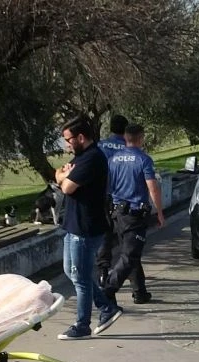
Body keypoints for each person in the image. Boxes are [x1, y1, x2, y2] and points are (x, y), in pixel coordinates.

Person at [55, 115, 123, 339]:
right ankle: (107, 307)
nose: (66, 145)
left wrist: (63, 176)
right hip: (73, 226)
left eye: (68, 139)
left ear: (81, 137)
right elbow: (60, 177)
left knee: (81, 278)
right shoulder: (82, 157)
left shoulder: (91, 159)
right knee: (71, 271)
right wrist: (61, 175)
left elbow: (67, 187)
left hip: (85, 228)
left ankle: (82, 325)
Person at [101, 123, 165, 306]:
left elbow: (107, 186)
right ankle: (108, 289)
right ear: (141, 138)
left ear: (126, 138)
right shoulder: (143, 160)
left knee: (130, 253)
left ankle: (140, 292)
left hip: (117, 213)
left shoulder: (113, 159)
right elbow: (153, 187)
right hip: (134, 214)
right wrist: (159, 212)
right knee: (129, 256)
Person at [95, 114, 130, 289]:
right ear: (126, 130)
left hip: (101, 195)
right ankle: (128, 270)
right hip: (122, 197)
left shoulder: (100, 145)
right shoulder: (128, 148)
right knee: (126, 235)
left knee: (105, 234)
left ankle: (103, 271)